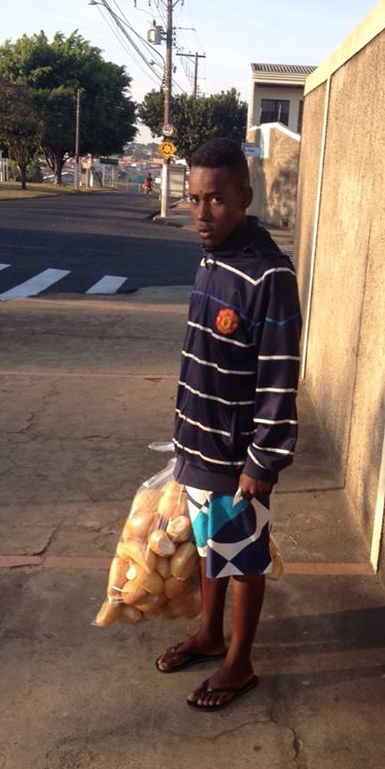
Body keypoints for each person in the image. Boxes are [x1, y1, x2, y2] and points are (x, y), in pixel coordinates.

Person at [155, 137, 302, 711]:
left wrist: (263, 463)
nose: (201, 213)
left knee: (242, 559)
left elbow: (279, 374)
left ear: (244, 196)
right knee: (210, 549)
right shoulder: (210, 259)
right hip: (197, 442)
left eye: (215, 200)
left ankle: (239, 662)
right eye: (193, 199)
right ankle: (209, 635)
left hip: (239, 458)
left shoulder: (271, 276)